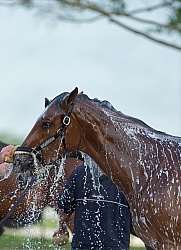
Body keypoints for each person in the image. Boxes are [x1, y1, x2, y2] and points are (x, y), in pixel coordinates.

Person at [53, 151, 131, 250]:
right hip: (116, 246)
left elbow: (64, 208)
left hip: (82, 245)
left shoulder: (79, 173)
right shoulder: (126, 177)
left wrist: (61, 228)